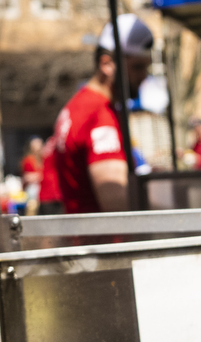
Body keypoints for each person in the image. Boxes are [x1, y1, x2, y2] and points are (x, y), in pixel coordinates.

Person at [39, 14, 154, 214]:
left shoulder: (76, 105)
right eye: (137, 67)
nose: (144, 76)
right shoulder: (99, 115)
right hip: (103, 241)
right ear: (106, 64)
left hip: (84, 236)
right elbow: (117, 202)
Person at [20, 137, 45, 202]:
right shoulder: (28, 160)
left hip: (44, 189)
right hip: (32, 190)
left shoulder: (44, 159)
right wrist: (40, 176)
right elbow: (27, 177)